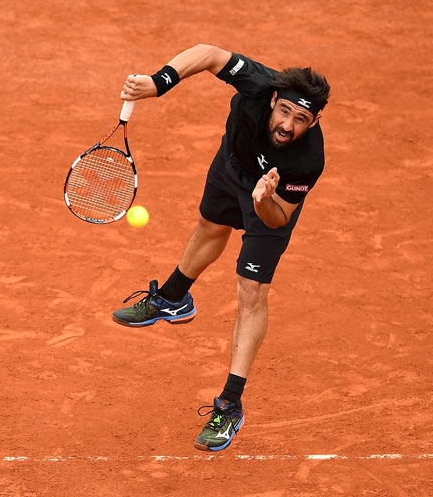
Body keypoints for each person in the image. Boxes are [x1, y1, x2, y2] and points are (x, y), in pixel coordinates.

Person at [112, 44, 330, 451]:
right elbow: (209, 54)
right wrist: (158, 83)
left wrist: (264, 200)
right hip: (231, 164)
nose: (287, 125)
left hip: (270, 198)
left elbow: (278, 219)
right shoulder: (259, 83)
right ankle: (173, 299)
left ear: (315, 120)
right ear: (273, 100)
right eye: (284, 111)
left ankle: (230, 404)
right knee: (211, 226)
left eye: (301, 119)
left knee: (251, 290)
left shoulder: (307, 161)